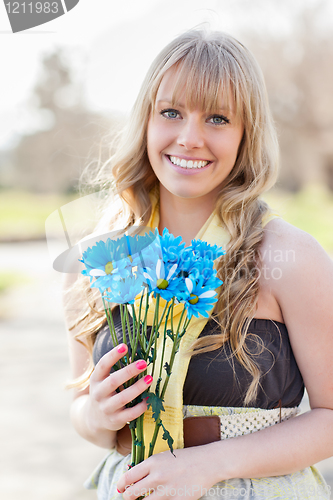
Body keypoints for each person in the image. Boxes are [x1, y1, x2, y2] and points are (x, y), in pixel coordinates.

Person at [63, 29, 333, 500]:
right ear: (145, 121)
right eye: (171, 112)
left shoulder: (288, 257)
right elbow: (81, 411)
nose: (190, 138)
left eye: (217, 118)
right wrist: (98, 415)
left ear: (246, 133)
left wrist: (209, 464)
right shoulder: (96, 260)